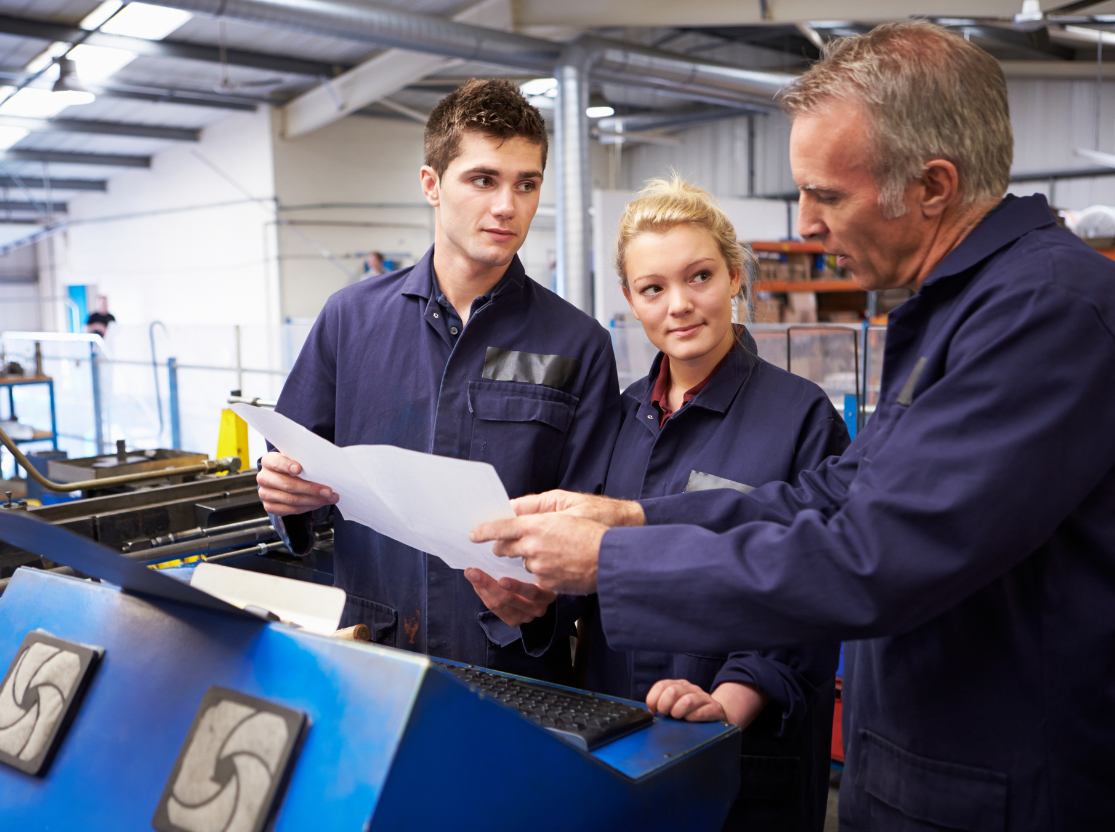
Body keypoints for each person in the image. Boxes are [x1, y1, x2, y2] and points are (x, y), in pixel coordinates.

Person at [471, 22, 1115, 830]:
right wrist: (631, 516)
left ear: (933, 186)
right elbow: (839, 496)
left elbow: (872, 557)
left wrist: (613, 558)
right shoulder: (959, 311)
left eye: (828, 195)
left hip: (1003, 793)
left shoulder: (1045, 313)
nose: (805, 224)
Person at [257, 79, 621, 684]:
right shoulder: (349, 320)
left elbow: (593, 520)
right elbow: (291, 466)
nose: (507, 205)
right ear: (432, 185)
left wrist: (544, 610)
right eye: (484, 180)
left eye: (526, 184)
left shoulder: (578, 345)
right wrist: (282, 495)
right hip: (374, 654)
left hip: (511, 670)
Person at [585, 175, 848, 831]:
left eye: (698, 276)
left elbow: (818, 586)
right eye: (653, 288)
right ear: (630, 301)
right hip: (617, 743)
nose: (679, 304)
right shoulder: (618, 421)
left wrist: (730, 700)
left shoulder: (800, 417)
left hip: (745, 759)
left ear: (734, 276)